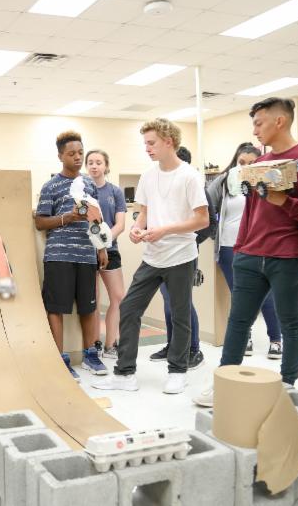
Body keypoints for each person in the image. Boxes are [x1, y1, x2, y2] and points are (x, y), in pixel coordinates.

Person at [194, 98, 298, 406]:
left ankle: (287, 386)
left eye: (259, 123)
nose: (254, 131)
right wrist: (241, 248)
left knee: (290, 322)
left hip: (291, 257)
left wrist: (285, 202)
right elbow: (250, 212)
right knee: (238, 321)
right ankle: (226, 382)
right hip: (250, 255)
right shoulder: (259, 164)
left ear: (280, 121)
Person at [93, 119, 208, 395]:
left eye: (151, 143)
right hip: (153, 257)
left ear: (169, 141)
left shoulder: (190, 176)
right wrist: (137, 228)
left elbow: (202, 220)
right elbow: (144, 212)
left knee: (180, 315)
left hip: (181, 256)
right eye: (145, 143)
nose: (147, 148)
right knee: (129, 309)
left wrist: (165, 230)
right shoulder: (148, 176)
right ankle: (125, 373)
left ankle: (178, 371)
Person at [35, 131, 109, 381]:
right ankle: (60, 358)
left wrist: (101, 247)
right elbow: (40, 222)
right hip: (59, 255)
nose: (77, 157)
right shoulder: (51, 186)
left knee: (89, 308)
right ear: (60, 156)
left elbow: (96, 219)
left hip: (86, 254)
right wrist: (68, 217)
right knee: (56, 308)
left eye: (80, 153)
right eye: (71, 154)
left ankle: (90, 355)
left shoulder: (89, 184)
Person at [206, 142, 282, 358]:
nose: (245, 166)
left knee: (266, 295)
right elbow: (206, 207)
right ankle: (245, 337)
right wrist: (215, 234)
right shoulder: (224, 181)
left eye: (251, 162)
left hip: (260, 246)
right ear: (235, 161)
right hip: (229, 246)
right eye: (241, 162)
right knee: (239, 296)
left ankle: (276, 340)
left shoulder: (267, 181)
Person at [151, 146, 213, 371]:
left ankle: (194, 349)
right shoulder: (161, 185)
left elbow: (209, 223)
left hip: (184, 255)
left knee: (182, 303)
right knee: (169, 303)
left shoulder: (194, 184)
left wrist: (191, 241)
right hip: (163, 254)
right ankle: (173, 345)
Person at [84, 150, 125, 360]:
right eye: (90, 162)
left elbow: (120, 224)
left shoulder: (115, 192)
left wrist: (105, 243)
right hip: (87, 251)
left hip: (111, 249)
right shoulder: (82, 191)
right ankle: (94, 346)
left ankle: (111, 345)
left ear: (106, 166)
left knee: (118, 297)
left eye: (98, 162)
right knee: (94, 300)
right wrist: (96, 245)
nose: (94, 166)